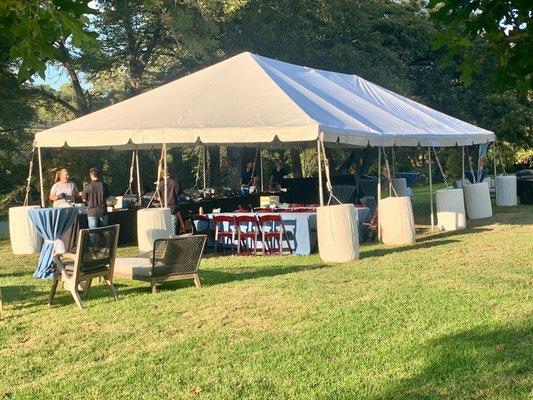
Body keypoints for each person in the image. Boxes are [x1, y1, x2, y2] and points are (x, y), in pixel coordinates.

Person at [157, 169, 180, 234]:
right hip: (173, 207)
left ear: (163, 175)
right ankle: (172, 240)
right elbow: (179, 194)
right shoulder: (175, 182)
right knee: (173, 226)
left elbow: (158, 197)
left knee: (165, 226)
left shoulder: (160, 184)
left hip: (164, 207)